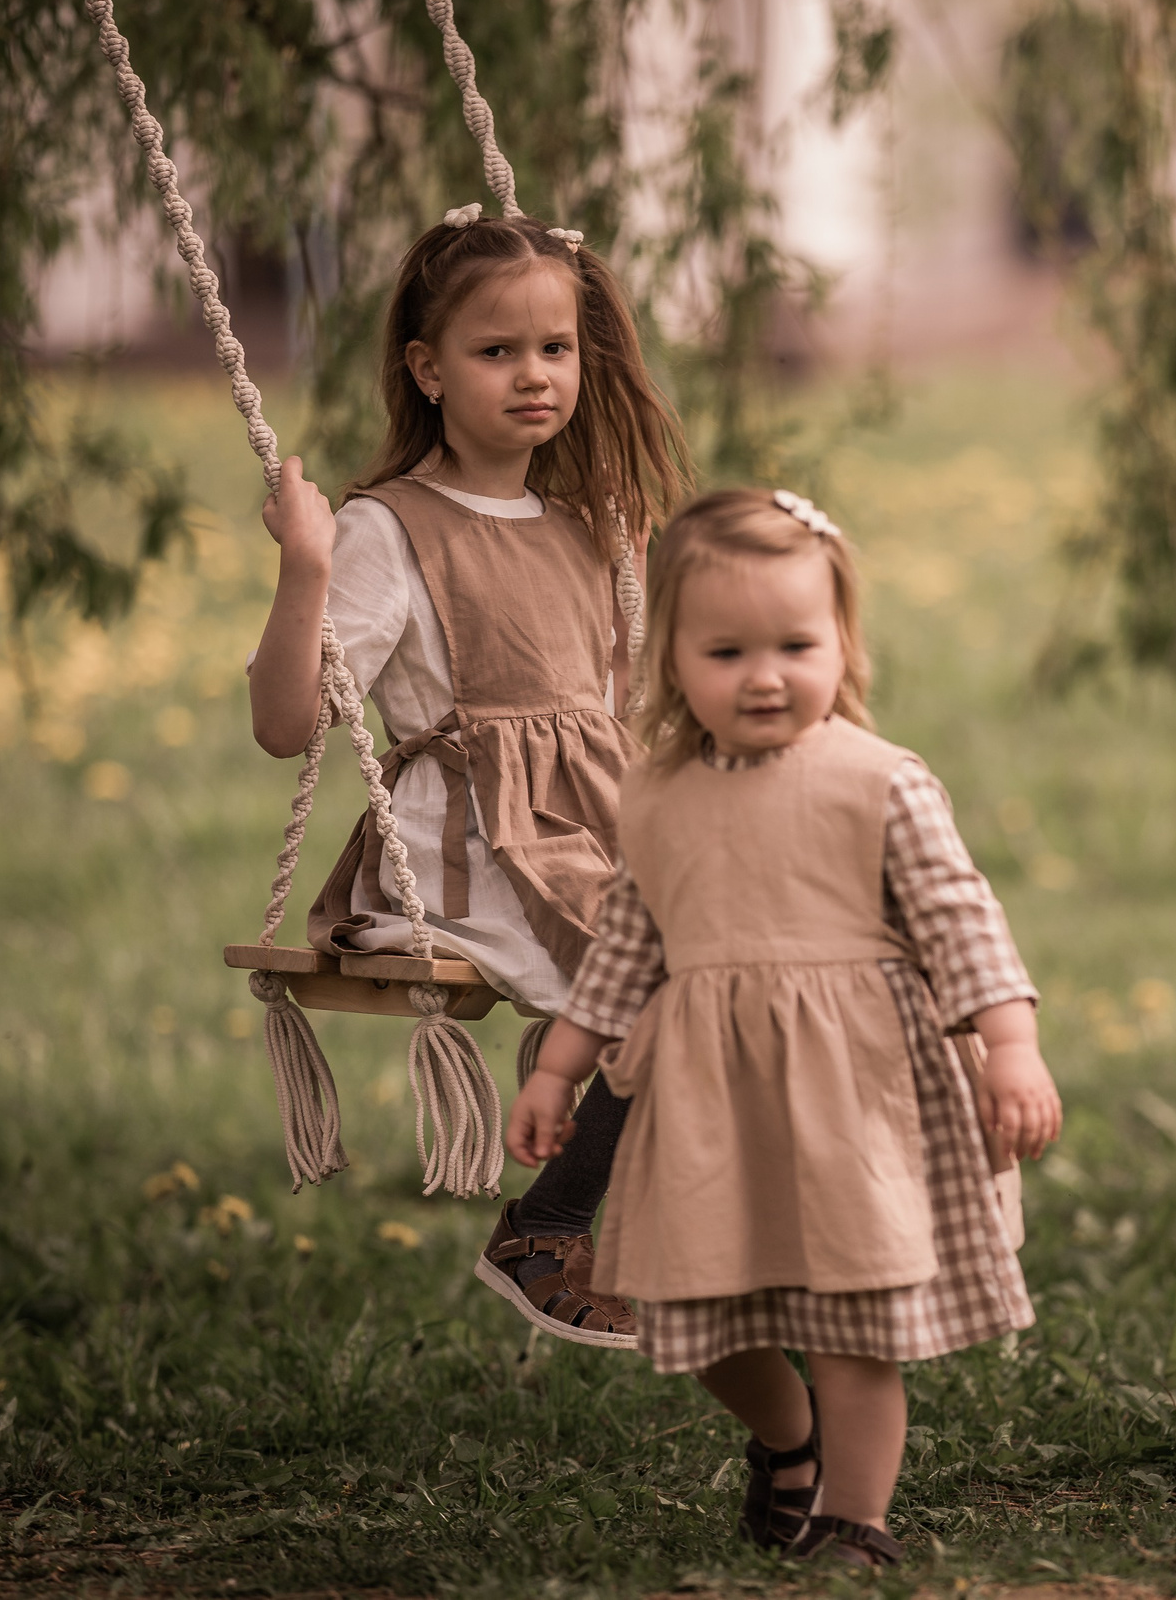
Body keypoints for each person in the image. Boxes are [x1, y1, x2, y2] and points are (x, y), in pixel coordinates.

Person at [506, 488, 1059, 1567]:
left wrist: (1013, 1046)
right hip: (712, 1101)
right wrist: (557, 1074)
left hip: (853, 1095)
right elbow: (627, 946)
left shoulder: (878, 782)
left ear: (841, 642)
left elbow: (963, 926)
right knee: (694, 1307)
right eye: (726, 651)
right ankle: (786, 1439)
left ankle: (857, 1521)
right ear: (670, 660)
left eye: (795, 645)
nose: (765, 675)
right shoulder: (658, 795)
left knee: (849, 1322)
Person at [249, 207, 691, 1349]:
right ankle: (544, 1234)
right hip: (475, 844)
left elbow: (606, 719)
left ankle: (664, 1206)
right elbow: (286, 722)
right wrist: (306, 564)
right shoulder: (387, 529)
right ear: (427, 369)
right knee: (666, 995)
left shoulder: (589, 524)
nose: (534, 376)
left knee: (743, 960)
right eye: (497, 352)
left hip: (592, 827)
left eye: (555, 349)